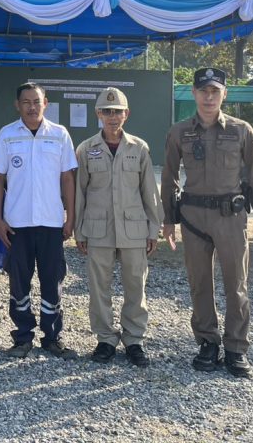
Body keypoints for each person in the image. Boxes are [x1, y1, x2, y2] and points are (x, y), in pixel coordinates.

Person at [161, 67, 253, 378]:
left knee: (236, 285)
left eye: (215, 91)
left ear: (224, 94)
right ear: (194, 93)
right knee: (199, 284)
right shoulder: (179, 132)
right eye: (203, 91)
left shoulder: (241, 130)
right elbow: (168, 178)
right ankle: (207, 342)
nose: (209, 97)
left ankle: (236, 347)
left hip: (230, 218)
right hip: (193, 219)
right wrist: (168, 220)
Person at [0, 83, 79, 360]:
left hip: (51, 222)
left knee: (52, 279)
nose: (31, 107)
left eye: (36, 102)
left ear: (45, 103)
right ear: (17, 105)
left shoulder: (59, 135)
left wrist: (71, 216)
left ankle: (52, 337)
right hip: (17, 223)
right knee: (19, 282)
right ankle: (22, 336)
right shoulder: (7, 135)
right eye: (26, 102)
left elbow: (68, 178)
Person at [74, 87, 162, 367]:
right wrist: (78, 230)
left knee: (136, 285)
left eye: (118, 111)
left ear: (127, 114)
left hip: (134, 229)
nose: (112, 116)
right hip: (97, 229)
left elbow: (150, 192)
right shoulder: (86, 149)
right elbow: (79, 193)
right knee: (99, 287)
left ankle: (134, 340)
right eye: (107, 111)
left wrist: (153, 228)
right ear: (98, 114)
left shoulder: (139, 148)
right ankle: (105, 339)